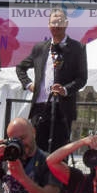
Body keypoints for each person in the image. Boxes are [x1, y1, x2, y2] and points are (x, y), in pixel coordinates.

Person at [16, 9, 87, 152]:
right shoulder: (40, 48)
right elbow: (20, 67)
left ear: (66, 24)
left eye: (60, 22)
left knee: (59, 150)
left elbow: (82, 78)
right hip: (40, 107)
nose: (56, 25)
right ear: (48, 25)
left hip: (63, 108)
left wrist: (65, 89)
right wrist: (29, 84)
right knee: (37, 149)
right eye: (53, 22)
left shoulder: (77, 48)